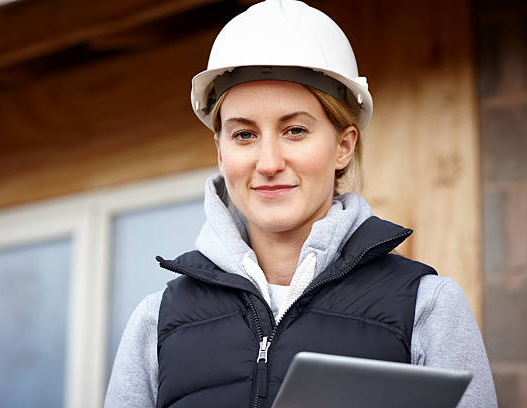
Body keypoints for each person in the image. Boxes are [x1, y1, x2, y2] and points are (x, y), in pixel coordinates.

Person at [105, 1, 497, 407]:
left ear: (343, 146)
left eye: (294, 130)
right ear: (221, 151)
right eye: (243, 135)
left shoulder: (426, 306)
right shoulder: (157, 321)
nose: (269, 163)